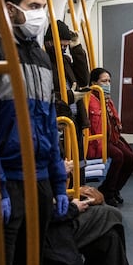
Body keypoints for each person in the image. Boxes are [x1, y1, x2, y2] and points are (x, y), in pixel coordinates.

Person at [0, 0, 68, 265]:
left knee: (35, 263)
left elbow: (49, 122)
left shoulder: (40, 56)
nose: (40, 15)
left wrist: (59, 182)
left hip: (41, 177)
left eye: (43, 8)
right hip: (9, 179)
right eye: (33, 6)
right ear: (10, 8)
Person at [42, 170, 133, 265]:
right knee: (111, 214)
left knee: (109, 237)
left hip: (55, 218)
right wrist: (73, 207)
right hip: (47, 228)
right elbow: (41, 209)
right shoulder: (29, 171)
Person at [45, 20, 90, 184]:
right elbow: (46, 94)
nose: (64, 49)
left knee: (79, 162)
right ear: (49, 42)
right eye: (62, 45)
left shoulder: (65, 61)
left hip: (74, 119)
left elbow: (85, 78)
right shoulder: (46, 64)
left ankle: (81, 191)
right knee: (66, 163)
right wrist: (71, 96)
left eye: (66, 46)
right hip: (60, 121)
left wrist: (76, 47)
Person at [87, 68, 133, 207]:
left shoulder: (108, 100)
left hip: (112, 137)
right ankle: (108, 192)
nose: (107, 84)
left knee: (132, 159)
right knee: (118, 156)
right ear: (93, 83)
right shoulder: (89, 100)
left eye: (109, 81)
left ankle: (114, 189)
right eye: (104, 81)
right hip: (97, 140)